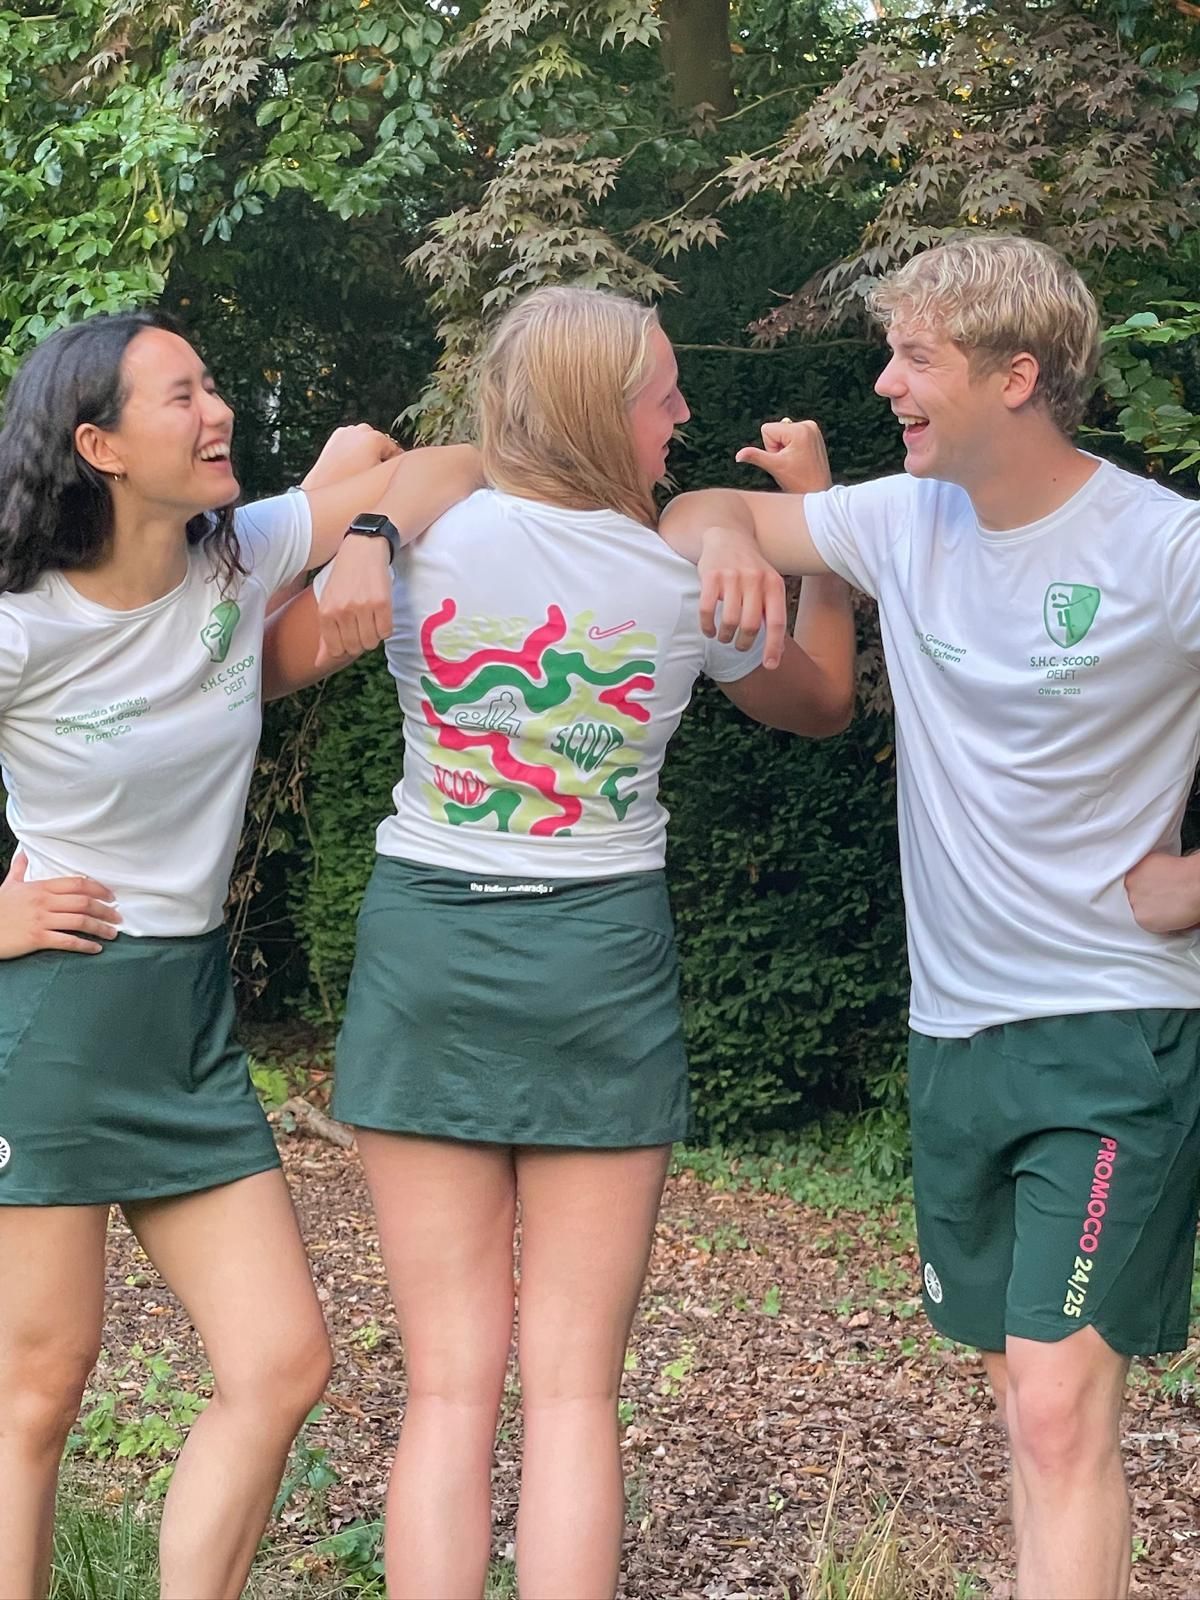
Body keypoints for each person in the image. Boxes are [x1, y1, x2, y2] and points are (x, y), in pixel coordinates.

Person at [263, 283, 857, 1600]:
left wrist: (340, 530)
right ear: (597, 409)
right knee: (577, 1393)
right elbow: (820, 700)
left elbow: (253, 661)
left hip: (428, 953)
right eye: (663, 394)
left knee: (447, 1389)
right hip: (600, 965)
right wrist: (810, 536)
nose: (684, 415)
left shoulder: (415, 538)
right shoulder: (683, 572)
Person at [657, 234, 1200, 1600]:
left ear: (1017, 375)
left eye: (915, 358)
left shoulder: (1164, 546)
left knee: (1059, 1410)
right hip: (954, 1035)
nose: (885, 383)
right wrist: (723, 538)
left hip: (1114, 1033)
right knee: (1025, 1399)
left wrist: (1196, 883)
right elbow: (694, 512)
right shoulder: (905, 521)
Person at [0, 307, 481, 1600]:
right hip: (55, 1021)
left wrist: (368, 533)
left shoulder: (238, 555)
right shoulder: (21, 625)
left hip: (190, 1026)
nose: (216, 411)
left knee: (280, 1364)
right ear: (98, 445)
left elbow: (453, 467)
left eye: (211, 384)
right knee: (38, 1392)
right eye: (182, 396)